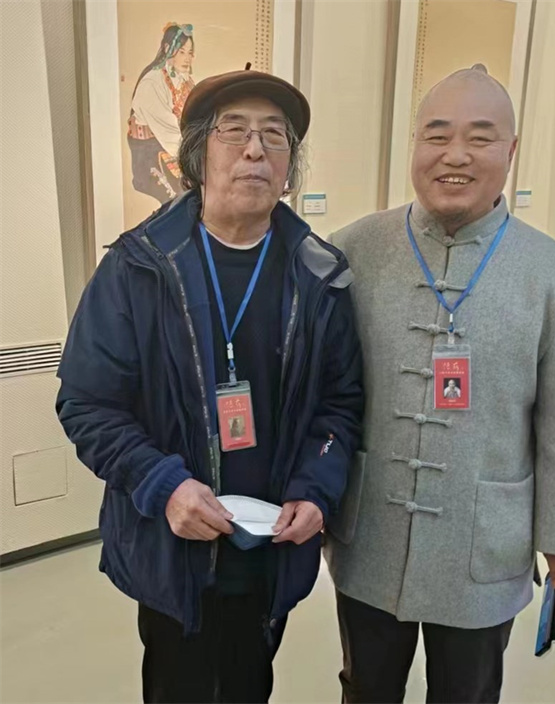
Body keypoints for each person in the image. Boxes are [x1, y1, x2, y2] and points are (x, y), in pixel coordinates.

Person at [57, 66, 363, 704]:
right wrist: (163, 484)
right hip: (173, 545)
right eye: (234, 131)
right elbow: (87, 403)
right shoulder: (137, 267)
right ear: (197, 155)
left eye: (274, 136)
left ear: (289, 165)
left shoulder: (318, 276)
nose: (255, 150)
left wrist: (316, 486)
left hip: (270, 544)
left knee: (251, 684)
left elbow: (340, 405)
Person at [325, 65, 555, 704]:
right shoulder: (352, 252)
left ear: (511, 150)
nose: (455, 155)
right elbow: (323, 394)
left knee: (468, 694)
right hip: (372, 533)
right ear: (414, 144)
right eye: (437, 135)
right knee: (366, 688)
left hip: (485, 542)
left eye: (479, 137)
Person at [128, 22, 196, 204]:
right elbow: (169, 132)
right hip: (151, 152)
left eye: (189, 53)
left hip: (177, 144)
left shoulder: (184, 79)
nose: (187, 58)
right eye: (181, 52)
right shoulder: (152, 83)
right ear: (167, 49)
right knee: (180, 201)